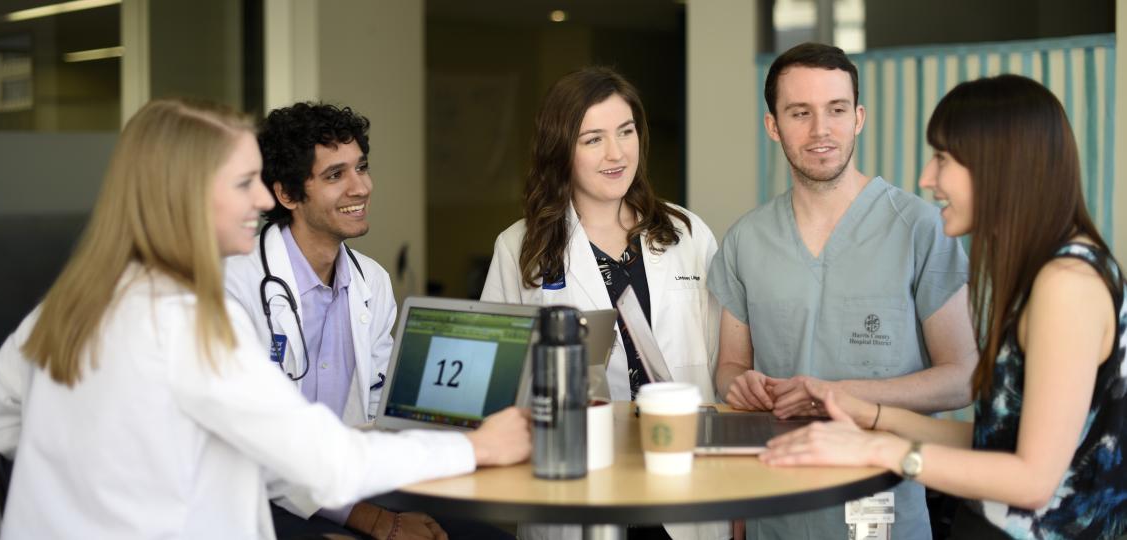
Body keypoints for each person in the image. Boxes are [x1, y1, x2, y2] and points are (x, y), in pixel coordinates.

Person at [0, 99, 530, 538]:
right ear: (186, 194)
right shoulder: (185, 321)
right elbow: (319, 459)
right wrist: (475, 446)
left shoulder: (82, 298)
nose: (263, 199)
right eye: (243, 183)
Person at [760, 74, 1127, 539]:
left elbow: (1034, 480)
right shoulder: (1050, 274)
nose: (926, 179)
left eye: (943, 159)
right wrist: (872, 417)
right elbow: (999, 439)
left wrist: (880, 453)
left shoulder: (1067, 285)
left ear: (999, 166)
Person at [707, 42, 978, 539]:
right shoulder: (745, 240)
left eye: (835, 110)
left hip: (885, 510)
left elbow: (962, 378)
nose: (820, 131)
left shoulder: (921, 229)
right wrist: (736, 386)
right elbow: (729, 368)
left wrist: (840, 395)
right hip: (774, 507)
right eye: (799, 113)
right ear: (773, 126)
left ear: (858, 118)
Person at [224, 102, 509, 540]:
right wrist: (377, 521)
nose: (361, 187)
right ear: (286, 195)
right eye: (336, 175)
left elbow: (380, 411)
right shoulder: (236, 288)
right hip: (260, 496)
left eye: (362, 167)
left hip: (353, 480)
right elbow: (261, 449)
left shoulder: (370, 283)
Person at [481, 66, 727, 540]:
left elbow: (719, 361)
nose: (616, 154)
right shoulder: (519, 248)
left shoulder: (688, 235)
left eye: (626, 132)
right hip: (577, 489)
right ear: (561, 150)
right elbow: (498, 381)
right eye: (592, 139)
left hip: (684, 485)